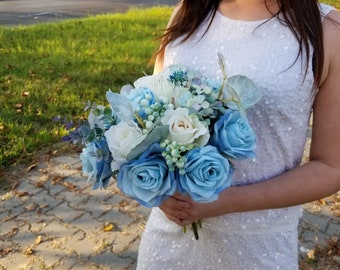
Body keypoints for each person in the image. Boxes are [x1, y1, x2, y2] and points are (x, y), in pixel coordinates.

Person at [136, 0, 340, 269]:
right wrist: (157, 191)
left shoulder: (327, 30)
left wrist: (222, 201)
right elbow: (151, 122)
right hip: (167, 243)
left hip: (258, 249)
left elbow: (330, 167)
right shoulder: (187, 12)